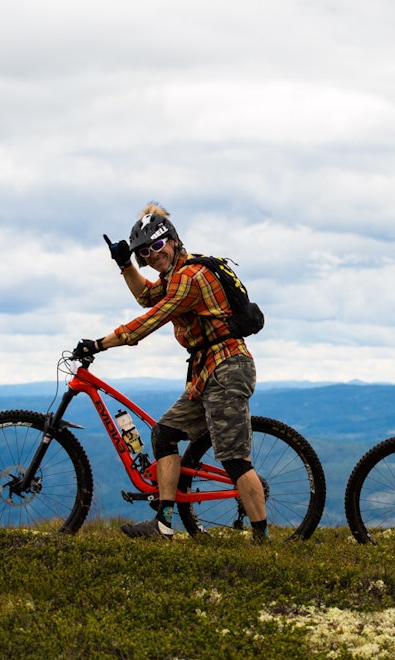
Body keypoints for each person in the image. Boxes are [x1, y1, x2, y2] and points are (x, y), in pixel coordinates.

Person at [73, 203, 268, 541]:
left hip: (226, 368)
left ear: (174, 240)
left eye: (157, 245)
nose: (152, 255)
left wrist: (99, 343)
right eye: (144, 253)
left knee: (234, 460)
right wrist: (125, 265)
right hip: (207, 371)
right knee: (164, 435)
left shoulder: (190, 278)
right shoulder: (175, 276)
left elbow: (147, 322)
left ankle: (262, 539)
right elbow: (148, 297)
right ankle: (163, 524)